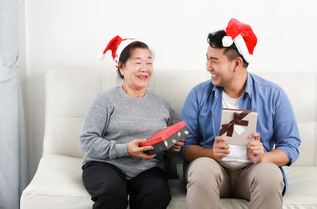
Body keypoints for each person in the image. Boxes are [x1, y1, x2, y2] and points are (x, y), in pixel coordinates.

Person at [179, 18, 301, 209]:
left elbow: (291, 146)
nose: (207, 67)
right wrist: (210, 153)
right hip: (213, 170)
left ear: (236, 64)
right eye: (207, 59)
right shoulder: (198, 95)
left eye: (214, 61)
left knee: (270, 174)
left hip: (253, 171)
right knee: (201, 169)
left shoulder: (273, 94)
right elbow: (186, 148)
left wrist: (264, 157)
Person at [79, 35, 184, 209]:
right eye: (137, 62)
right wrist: (125, 149)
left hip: (147, 169)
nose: (145, 68)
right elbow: (86, 141)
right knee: (113, 193)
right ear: (121, 67)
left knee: (158, 194)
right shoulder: (105, 100)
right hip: (105, 165)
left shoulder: (162, 105)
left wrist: (172, 148)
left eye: (149, 62)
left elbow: (166, 155)